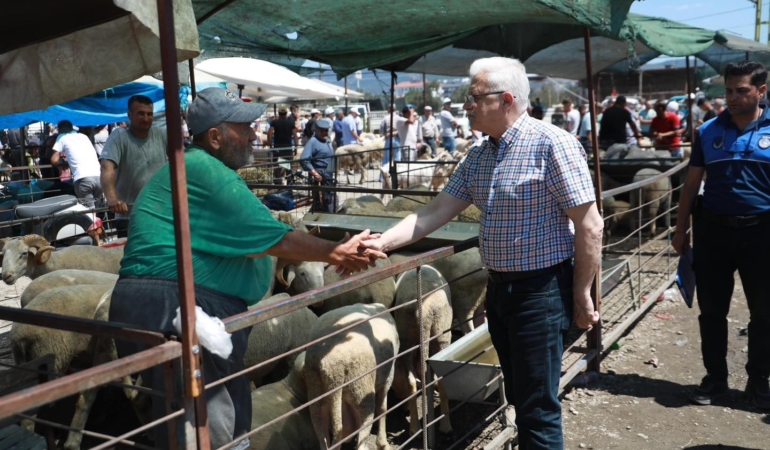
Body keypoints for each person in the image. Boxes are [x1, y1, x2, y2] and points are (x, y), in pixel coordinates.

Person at [109, 87, 385, 450]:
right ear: (215, 137)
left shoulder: (186, 168)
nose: (254, 134)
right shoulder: (206, 171)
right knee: (214, 427)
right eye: (244, 126)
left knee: (185, 420)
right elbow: (275, 237)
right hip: (175, 309)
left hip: (159, 305)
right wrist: (337, 252)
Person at [361, 57, 602, 450]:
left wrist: (581, 293)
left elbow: (590, 225)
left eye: (474, 96)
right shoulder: (480, 155)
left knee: (537, 408)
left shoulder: (551, 144)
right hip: (501, 292)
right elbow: (435, 211)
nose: (466, 105)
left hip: (540, 293)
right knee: (522, 397)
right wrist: (381, 243)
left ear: (506, 99)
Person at [673, 61, 770, 410]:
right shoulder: (709, 130)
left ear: (761, 91)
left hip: (762, 233)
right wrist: (681, 228)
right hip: (713, 232)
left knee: (764, 313)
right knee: (711, 311)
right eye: (728, 90)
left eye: (741, 90)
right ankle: (716, 379)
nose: (731, 97)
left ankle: (759, 382)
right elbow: (691, 185)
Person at [100, 95, 168, 237]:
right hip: (128, 216)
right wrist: (113, 199)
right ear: (129, 115)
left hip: (159, 214)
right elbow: (107, 168)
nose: (146, 118)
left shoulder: (161, 134)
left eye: (149, 114)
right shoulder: (119, 136)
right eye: (141, 114)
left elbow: (180, 161)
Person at [51, 120, 103, 208]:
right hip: (99, 177)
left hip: (83, 179)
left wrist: (64, 163)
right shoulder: (83, 136)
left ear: (59, 130)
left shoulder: (62, 137)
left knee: (89, 213)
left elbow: (54, 160)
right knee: (97, 211)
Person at [300, 118, 337, 213]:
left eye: (326, 130)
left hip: (329, 176)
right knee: (322, 202)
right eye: (322, 130)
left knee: (329, 200)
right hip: (320, 177)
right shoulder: (313, 142)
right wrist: (314, 173)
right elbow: (304, 159)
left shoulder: (328, 141)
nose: (324, 132)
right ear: (315, 130)